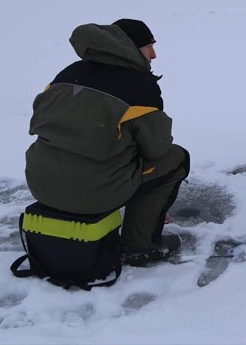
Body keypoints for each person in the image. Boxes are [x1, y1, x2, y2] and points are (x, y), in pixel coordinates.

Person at [25, 19, 190, 266]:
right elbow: (158, 147)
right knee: (176, 159)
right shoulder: (138, 88)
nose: (153, 55)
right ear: (131, 48)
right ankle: (140, 244)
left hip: (41, 183)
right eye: (148, 47)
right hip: (96, 194)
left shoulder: (66, 75)